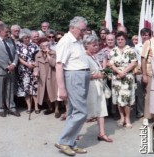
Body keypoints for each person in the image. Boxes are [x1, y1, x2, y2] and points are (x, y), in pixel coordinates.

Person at [55, 16, 89, 156]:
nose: (84, 32)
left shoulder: (77, 41)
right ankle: (63, 141)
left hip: (81, 76)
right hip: (74, 77)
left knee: (73, 112)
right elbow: (59, 65)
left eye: (85, 30)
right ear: (72, 28)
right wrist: (61, 88)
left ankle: (71, 142)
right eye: (82, 30)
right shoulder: (66, 41)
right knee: (81, 112)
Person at [84, 34, 113, 142]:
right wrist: (97, 75)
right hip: (90, 87)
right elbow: (83, 75)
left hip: (98, 86)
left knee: (101, 109)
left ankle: (102, 133)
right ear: (87, 45)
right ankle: (73, 134)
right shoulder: (84, 57)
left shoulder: (94, 56)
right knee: (85, 112)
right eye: (94, 45)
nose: (96, 47)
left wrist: (104, 73)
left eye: (97, 45)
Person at [109, 31, 137, 128]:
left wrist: (123, 72)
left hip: (127, 77)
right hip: (116, 77)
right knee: (118, 98)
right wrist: (118, 72)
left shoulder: (130, 50)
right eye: (118, 39)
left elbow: (133, 63)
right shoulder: (113, 51)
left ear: (125, 40)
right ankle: (121, 117)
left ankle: (128, 118)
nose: (120, 41)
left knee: (126, 98)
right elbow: (111, 64)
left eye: (122, 39)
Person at [0, 23, 20, 117]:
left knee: (10, 90)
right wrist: (6, 66)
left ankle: (11, 107)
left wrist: (14, 64)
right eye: (6, 32)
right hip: (0, 70)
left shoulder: (10, 40)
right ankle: (1, 108)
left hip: (12, 69)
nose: (8, 34)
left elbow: (16, 53)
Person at [33, 40, 60, 117]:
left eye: (47, 46)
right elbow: (36, 66)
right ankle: (50, 108)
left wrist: (48, 54)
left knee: (54, 93)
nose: (45, 47)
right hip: (42, 77)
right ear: (40, 47)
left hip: (52, 76)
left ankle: (56, 109)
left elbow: (53, 64)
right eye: (43, 46)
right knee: (45, 94)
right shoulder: (38, 54)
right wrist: (35, 72)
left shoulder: (54, 53)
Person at [16, 28, 39, 114]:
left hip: (33, 69)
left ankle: (36, 106)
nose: (27, 39)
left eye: (28, 37)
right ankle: (29, 107)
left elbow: (37, 57)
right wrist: (27, 64)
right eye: (25, 37)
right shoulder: (18, 46)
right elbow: (18, 58)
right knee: (26, 89)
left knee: (34, 89)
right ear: (22, 38)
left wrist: (33, 65)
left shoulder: (34, 45)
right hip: (23, 71)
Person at [134, 28, 151, 118]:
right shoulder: (137, 47)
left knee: (149, 92)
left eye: (146, 35)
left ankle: (149, 112)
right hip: (140, 71)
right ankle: (140, 111)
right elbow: (136, 59)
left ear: (149, 36)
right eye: (143, 35)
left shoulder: (152, 45)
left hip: (150, 72)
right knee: (140, 92)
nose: (145, 36)